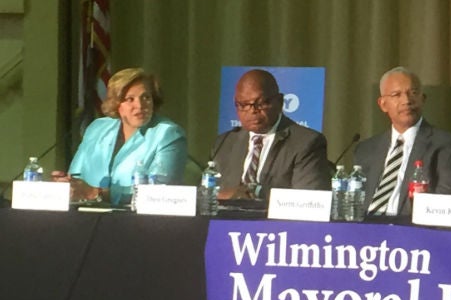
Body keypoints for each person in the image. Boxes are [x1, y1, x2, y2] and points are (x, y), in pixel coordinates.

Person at [53, 68, 187, 204]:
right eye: (130, 99)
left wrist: (95, 193)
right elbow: (77, 174)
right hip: (88, 217)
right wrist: (69, 184)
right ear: (117, 104)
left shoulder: (168, 134)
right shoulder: (97, 128)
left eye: (146, 97)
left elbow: (159, 194)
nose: (140, 106)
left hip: (137, 221)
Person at [355, 67, 451, 217]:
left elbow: (446, 205)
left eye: (413, 93)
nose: (407, 101)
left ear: (423, 99)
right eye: (396, 95)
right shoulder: (366, 149)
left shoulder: (448, 146)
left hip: (412, 234)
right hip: (364, 233)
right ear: (383, 104)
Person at [211, 69, 330, 199]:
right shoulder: (225, 143)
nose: (252, 111)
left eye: (260, 103)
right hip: (226, 218)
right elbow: (206, 194)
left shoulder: (306, 143)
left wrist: (254, 194)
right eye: (244, 105)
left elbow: (310, 199)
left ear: (280, 102)